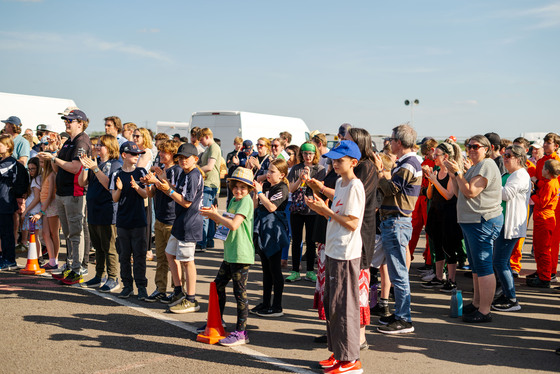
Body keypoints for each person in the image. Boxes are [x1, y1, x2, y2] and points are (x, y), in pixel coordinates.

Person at [306, 140, 365, 374]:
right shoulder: (341, 182)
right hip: (334, 249)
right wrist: (320, 199)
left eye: (340, 160)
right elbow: (337, 208)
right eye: (333, 159)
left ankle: (350, 359)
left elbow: (352, 222)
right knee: (333, 305)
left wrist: (326, 211)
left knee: (343, 307)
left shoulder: (355, 186)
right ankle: (338, 354)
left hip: (345, 253)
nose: (335, 163)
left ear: (354, 162)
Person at [445, 134, 503, 323]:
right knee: (477, 267)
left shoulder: (487, 165)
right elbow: (457, 190)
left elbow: (470, 192)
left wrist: (460, 174)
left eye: (475, 146)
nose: (471, 149)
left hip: (482, 221)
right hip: (473, 222)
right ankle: (478, 303)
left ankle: (485, 310)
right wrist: (455, 174)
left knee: (484, 267)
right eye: (469, 146)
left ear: (486, 149)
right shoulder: (477, 166)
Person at [373, 123, 421, 334]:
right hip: (394, 221)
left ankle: (404, 318)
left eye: (391, 140)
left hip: (397, 221)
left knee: (399, 273)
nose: (389, 143)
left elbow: (392, 188)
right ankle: (400, 314)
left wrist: (381, 172)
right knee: (396, 271)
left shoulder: (408, 163)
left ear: (399, 142)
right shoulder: (404, 162)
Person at [199, 167, 255, 347]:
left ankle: (241, 332)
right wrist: (214, 216)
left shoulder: (245, 201)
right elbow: (226, 223)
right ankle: (218, 321)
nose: (239, 190)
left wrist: (216, 215)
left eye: (243, 188)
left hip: (241, 254)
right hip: (231, 252)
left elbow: (234, 225)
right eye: (236, 186)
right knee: (218, 286)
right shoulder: (233, 200)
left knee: (240, 293)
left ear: (249, 190)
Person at [145, 143, 204, 312]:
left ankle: (191, 299)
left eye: (186, 158)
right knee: (169, 253)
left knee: (187, 261)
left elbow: (186, 202)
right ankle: (178, 291)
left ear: (195, 159)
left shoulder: (193, 175)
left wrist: (167, 190)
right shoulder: (185, 173)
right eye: (180, 158)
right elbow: (176, 190)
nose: (183, 160)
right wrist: (161, 181)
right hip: (180, 221)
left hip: (190, 222)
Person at [38, 109, 91, 285]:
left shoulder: (82, 141)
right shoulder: (69, 141)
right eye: (66, 120)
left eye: (70, 120)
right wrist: (53, 159)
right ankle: (70, 265)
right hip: (63, 193)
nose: (67, 122)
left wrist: (54, 158)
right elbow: (57, 169)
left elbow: (76, 167)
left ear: (80, 123)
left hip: (74, 193)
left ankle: (77, 269)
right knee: (68, 234)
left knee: (75, 233)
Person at [78, 135, 123, 292]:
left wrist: (95, 168)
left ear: (110, 148)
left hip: (107, 211)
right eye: (96, 145)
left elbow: (109, 185)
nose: (97, 147)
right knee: (98, 247)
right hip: (93, 210)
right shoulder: (95, 164)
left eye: (101, 145)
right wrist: (85, 167)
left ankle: (113, 278)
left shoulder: (115, 164)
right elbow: (82, 183)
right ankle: (99, 276)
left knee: (109, 247)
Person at [142, 140, 182, 302]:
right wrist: (147, 184)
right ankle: (160, 289)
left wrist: (158, 181)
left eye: (163, 152)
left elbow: (174, 193)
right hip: (159, 219)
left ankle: (177, 289)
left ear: (172, 154)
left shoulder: (177, 171)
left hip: (172, 220)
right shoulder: (162, 169)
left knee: (174, 258)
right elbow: (151, 194)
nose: (160, 154)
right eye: (160, 151)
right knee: (160, 258)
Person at [492, 145, 531, 310]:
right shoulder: (509, 174)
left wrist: (490, 183)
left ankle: (512, 299)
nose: (505, 158)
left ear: (518, 158)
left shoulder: (520, 175)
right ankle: (505, 293)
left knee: (500, 262)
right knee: (501, 261)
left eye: (508, 156)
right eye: (504, 155)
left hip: (511, 225)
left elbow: (505, 194)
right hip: (503, 222)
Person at [421, 141, 463, 292]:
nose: (434, 157)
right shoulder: (437, 171)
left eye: (436, 155)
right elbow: (430, 195)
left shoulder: (452, 173)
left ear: (445, 156)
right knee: (437, 245)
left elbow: (448, 195)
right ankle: (439, 276)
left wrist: (434, 181)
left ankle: (451, 280)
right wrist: (431, 182)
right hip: (436, 212)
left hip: (449, 214)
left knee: (449, 247)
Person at [110, 141, 149, 300]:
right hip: (123, 221)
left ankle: (141, 287)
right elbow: (114, 198)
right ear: (124, 155)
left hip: (139, 220)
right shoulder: (116, 174)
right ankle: (127, 286)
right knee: (124, 255)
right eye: (133, 154)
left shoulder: (141, 171)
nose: (136, 157)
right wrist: (119, 189)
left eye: (138, 154)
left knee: (139, 255)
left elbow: (146, 194)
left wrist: (137, 187)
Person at [251, 159, 290, 317]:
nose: (268, 173)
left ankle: (277, 306)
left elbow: (272, 207)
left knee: (275, 270)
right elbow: (255, 206)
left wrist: (260, 193)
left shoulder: (282, 187)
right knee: (265, 270)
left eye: (272, 171)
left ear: (282, 175)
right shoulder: (266, 185)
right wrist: (256, 192)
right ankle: (266, 302)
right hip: (262, 228)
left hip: (274, 230)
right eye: (268, 170)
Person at [286, 141, 326, 282]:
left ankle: (310, 271)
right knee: (296, 240)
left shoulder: (320, 169)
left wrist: (309, 180)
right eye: (305, 153)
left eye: (310, 153)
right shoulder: (296, 168)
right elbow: (291, 189)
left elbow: (319, 191)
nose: (307, 156)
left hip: (313, 209)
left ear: (315, 154)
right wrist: (300, 179)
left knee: (310, 241)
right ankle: (295, 270)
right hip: (297, 209)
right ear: (301, 154)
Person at [527, 159, 560, 288]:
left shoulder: (550, 184)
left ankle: (545, 278)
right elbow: (543, 185)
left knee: (543, 249)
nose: (540, 171)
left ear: (547, 171)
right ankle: (541, 273)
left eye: (542, 169)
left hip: (544, 219)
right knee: (539, 248)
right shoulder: (550, 182)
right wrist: (535, 182)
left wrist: (533, 194)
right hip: (544, 218)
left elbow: (541, 203)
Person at [409, 138, 437, 274]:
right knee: (414, 228)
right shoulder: (425, 161)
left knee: (429, 231)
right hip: (420, 198)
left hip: (426, 198)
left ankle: (429, 261)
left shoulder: (433, 163)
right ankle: (408, 256)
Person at [195, 128, 221, 251]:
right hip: (210, 182)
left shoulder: (213, 148)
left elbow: (210, 167)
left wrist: (196, 170)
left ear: (206, 136)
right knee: (209, 214)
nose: (200, 142)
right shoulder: (209, 148)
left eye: (201, 140)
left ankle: (201, 243)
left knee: (204, 213)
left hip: (209, 183)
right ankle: (209, 240)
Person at [0, 135, 19, 271]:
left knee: (7, 232)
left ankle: (10, 259)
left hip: (6, 202)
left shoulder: (11, 162)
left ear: (8, 146)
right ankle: (4, 257)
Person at [38, 153, 60, 270]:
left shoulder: (52, 174)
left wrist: (42, 210)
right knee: (45, 233)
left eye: (42, 162)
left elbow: (51, 195)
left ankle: (54, 260)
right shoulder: (45, 174)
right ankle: (52, 260)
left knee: (54, 233)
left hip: (51, 206)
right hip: (45, 206)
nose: (40, 164)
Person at [21, 157, 42, 256]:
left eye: (33, 169)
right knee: (33, 236)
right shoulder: (34, 179)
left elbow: (37, 198)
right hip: (32, 210)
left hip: (34, 211)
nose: (30, 171)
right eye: (29, 169)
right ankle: (37, 256)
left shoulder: (37, 180)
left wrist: (26, 211)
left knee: (34, 236)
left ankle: (38, 257)